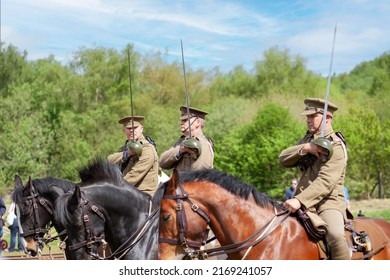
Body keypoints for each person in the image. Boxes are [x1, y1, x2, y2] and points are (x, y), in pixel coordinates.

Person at [278, 97, 350, 260]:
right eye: (307, 117)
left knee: (336, 236)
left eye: (313, 116)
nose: (308, 120)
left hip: (328, 202)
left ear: (327, 118)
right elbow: (282, 159)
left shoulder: (337, 146)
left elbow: (325, 182)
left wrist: (299, 201)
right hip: (301, 200)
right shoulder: (307, 141)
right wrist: (306, 148)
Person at [107, 116, 159, 196]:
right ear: (124, 131)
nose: (132, 130)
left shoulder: (147, 148)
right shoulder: (126, 148)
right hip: (128, 192)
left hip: (144, 196)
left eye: (135, 127)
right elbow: (109, 160)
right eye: (128, 128)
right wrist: (127, 154)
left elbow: (134, 175)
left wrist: (114, 187)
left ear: (141, 129)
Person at [159, 106, 214, 172]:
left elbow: (200, 175)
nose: (181, 123)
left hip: (189, 181)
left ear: (198, 122)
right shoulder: (181, 142)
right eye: (181, 120)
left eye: (185, 120)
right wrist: (179, 150)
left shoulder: (203, 144)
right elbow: (162, 162)